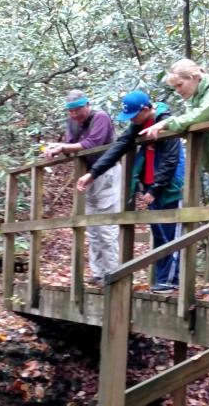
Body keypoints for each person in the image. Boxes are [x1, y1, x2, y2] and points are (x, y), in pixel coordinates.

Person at [140, 59, 209, 298]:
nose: (178, 91)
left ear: (193, 78)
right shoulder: (195, 97)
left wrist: (169, 122)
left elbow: (203, 115)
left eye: (180, 85)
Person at [76, 90, 185, 294]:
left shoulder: (166, 122)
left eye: (134, 115)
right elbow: (119, 146)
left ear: (145, 110)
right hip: (150, 186)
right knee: (159, 234)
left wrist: (155, 188)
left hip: (169, 187)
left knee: (172, 235)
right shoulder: (138, 125)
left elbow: (171, 159)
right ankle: (164, 280)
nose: (132, 120)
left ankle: (170, 281)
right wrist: (92, 174)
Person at [45, 89, 121, 285]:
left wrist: (64, 147)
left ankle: (112, 273)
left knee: (106, 225)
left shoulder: (101, 117)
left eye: (78, 110)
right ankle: (98, 273)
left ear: (87, 106)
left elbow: (92, 142)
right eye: (71, 111)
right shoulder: (72, 122)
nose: (74, 115)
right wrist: (57, 148)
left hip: (106, 173)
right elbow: (72, 144)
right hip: (86, 175)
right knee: (92, 228)